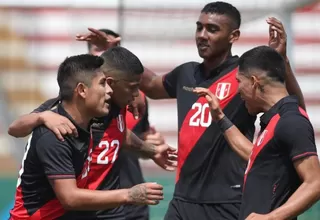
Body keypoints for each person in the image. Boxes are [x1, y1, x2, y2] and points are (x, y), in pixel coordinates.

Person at [75, 2, 305, 219]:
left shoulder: (243, 75)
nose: (202, 35)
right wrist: (114, 52)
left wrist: (282, 61)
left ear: (233, 36)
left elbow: (292, 107)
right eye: (199, 27)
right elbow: (152, 85)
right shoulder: (186, 73)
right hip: (183, 199)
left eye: (212, 29)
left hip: (228, 200)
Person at [8, 47, 176, 220]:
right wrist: (130, 195)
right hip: (77, 208)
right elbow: (70, 198)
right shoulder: (56, 130)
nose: (136, 94)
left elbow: (119, 134)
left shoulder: (92, 116)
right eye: (103, 84)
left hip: (99, 208)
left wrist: (151, 150)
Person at [192, 45, 320, 220]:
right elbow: (255, 156)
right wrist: (220, 118)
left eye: (239, 82)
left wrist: (271, 217)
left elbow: (315, 183)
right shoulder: (275, 121)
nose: (237, 91)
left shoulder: (291, 121)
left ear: (254, 82)